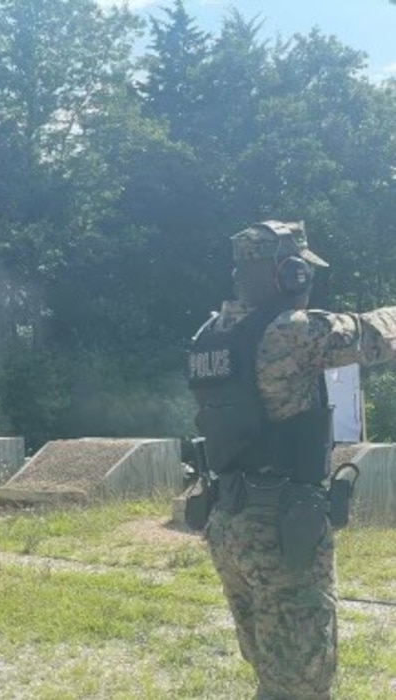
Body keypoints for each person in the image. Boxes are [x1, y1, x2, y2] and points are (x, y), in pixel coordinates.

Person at [188, 220, 396, 699]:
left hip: (229, 517)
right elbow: (371, 335)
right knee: (302, 680)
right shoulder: (287, 332)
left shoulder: (210, 336)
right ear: (291, 273)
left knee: (273, 668)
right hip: (282, 526)